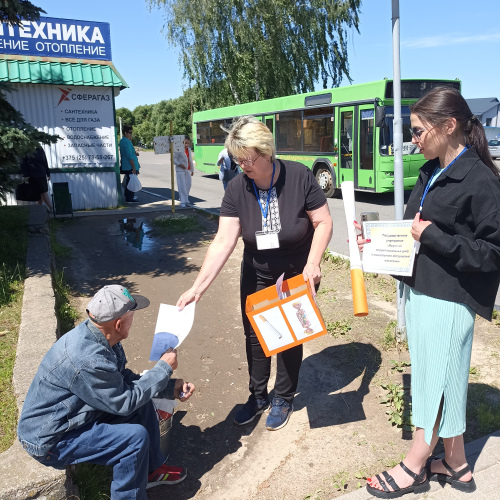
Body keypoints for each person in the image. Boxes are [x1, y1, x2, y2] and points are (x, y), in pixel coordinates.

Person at [361, 87, 500, 498]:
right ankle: (457, 465)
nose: (413, 139)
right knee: (442, 377)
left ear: (449, 126)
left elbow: (493, 253)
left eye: (419, 131)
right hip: (422, 291)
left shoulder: (481, 180)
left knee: (435, 382)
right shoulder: (431, 169)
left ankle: (415, 464)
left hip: (450, 297)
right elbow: (409, 231)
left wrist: (436, 238)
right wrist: (374, 241)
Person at [177, 116, 333, 431]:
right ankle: (258, 395)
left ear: (265, 152)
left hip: (294, 272)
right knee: (256, 335)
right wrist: (197, 288)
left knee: (289, 336)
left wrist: (313, 263)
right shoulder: (237, 188)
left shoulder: (300, 177)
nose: (242, 165)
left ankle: (284, 398)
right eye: (237, 159)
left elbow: (324, 222)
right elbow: (223, 240)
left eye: (247, 159)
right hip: (257, 271)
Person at [17, 285, 195, 499]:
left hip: (75, 415)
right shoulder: (87, 359)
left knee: (143, 403)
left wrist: (167, 387)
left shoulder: (100, 336)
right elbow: (124, 402)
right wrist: (163, 369)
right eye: (132, 316)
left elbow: (122, 381)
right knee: (133, 439)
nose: (134, 321)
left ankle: (150, 471)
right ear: (119, 323)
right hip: (52, 438)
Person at [20, 146, 53, 211]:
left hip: (42, 174)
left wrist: (48, 173)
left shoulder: (40, 149)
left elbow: (45, 161)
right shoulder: (26, 149)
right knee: (43, 191)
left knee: (39, 192)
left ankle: (38, 209)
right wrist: (25, 175)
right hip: (33, 175)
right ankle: (51, 208)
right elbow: (23, 163)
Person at [119, 125, 140, 204]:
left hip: (127, 165)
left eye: (131, 133)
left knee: (129, 180)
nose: (131, 134)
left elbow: (130, 152)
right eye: (129, 133)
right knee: (131, 182)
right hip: (130, 165)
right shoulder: (127, 142)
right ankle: (129, 198)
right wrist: (134, 167)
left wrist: (135, 153)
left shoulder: (123, 141)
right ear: (125, 133)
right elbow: (129, 155)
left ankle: (129, 196)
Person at [173, 136, 195, 207]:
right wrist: (179, 164)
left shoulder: (188, 149)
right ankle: (182, 201)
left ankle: (185, 199)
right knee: (182, 186)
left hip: (187, 169)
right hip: (180, 170)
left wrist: (192, 170)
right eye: (185, 143)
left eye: (188, 143)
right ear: (182, 142)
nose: (186, 145)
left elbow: (190, 160)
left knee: (188, 185)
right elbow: (173, 159)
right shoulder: (178, 149)